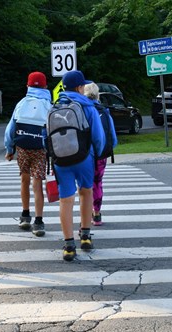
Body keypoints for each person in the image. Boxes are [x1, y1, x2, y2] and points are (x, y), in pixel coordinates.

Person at [53, 70, 105, 261]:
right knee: (86, 192)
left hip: (61, 160)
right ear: (79, 87)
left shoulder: (54, 106)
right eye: (83, 85)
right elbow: (98, 137)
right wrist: (97, 154)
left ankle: (68, 245)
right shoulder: (88, 106)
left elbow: (46, 136)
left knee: (65, 200)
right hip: (84, 158)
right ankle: (84, 236)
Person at [4, 72, 52, 236]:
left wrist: (10, 149)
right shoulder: (48, 105)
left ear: (28, 86)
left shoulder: (22, 103)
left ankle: (25, 215)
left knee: (24, 179)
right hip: (40, 149)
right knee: (37, 184)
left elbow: (11, 129)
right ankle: (38, 222)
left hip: (23, 148)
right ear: (45, 87)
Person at [83, 82, 117, 226]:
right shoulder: (104, 111)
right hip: (101, 153)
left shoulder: (81, 110)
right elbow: (113, 137)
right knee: (97, 183)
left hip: (84, 154)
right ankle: (96, 214)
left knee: (84, 185)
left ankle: (85, 216)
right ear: (97, 94)